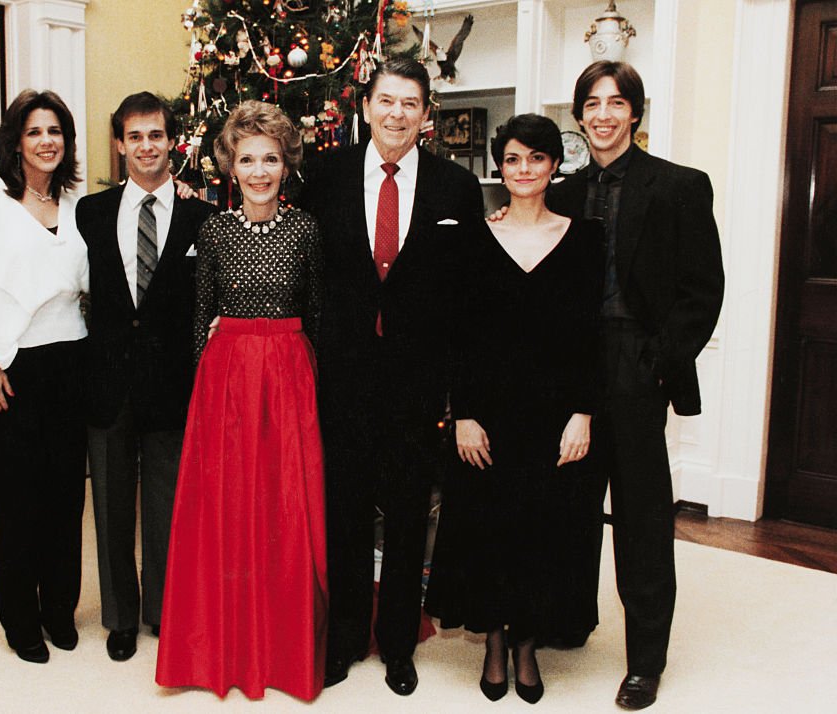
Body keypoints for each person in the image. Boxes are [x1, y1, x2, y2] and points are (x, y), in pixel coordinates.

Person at [299, 58, 484, 696]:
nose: (397, 113)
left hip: (417, 381)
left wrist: (458, 390)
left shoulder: (455, 188)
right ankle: (348, 637)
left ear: (427, 115)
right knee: (345, 509)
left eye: (411, 103)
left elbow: (465, 295)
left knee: (409, 514)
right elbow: (293, 257)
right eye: (386, 100)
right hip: (343, 376)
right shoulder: (321, 176)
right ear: (366, 106)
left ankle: (400, 642)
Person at [546, 62, 724, 710]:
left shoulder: (678, 186)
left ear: (635, 113)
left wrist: (657, 361)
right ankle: (568, 622)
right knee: (569, 503)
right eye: (591, 104)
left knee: (642, 520)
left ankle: (645, 662)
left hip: (637, 366)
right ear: (579, 115)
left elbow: (703, 292)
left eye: (616, 103)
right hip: (573, 367)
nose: (603, 115)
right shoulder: (560, 194)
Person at [424, 113, 604, 704]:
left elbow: (590, 337)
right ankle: (496, 645)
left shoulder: (586, 238)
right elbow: (456, 335)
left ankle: (528, 647)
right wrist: (465, 414)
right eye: (513, 160)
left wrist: (583, 412)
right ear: (499, 169)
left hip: (555, 420)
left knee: (544, 533)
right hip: (489, 417)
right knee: (489, 532)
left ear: (555, 166)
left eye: (536, 158)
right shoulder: (471, 239)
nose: (524, 170)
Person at [155, 100, 326, 701]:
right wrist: (208, 393)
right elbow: (201, 321)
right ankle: (224, 646)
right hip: (225, 379)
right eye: (248, 159)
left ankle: (283, 648)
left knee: (284, 505)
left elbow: (320, 319)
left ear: (286, 165)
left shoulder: (306, 229)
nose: (259, 171)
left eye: (271, 159)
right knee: (226, 508)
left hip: (287, 376)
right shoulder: (215, 230)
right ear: (230, 166)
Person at [0, 89, 88, 664]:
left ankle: (59, 608)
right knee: (16, 496)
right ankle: (21, 619)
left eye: (55, 131)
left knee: (63, 496)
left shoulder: (78, 204)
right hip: (13, 365)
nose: (47, 141)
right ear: (16, 141)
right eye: (34, 132)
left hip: (72, 358)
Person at [76, 92, 216, 662]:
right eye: (134, 136)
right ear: (119, 144)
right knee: (110, 504)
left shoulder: (201, 216)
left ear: (171, 140)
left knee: (166, 505)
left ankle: (162, 608)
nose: (146, 146)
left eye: (155, 135)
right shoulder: (89, 212)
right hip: (107, 380)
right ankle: (120, 616)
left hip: (172, 384)